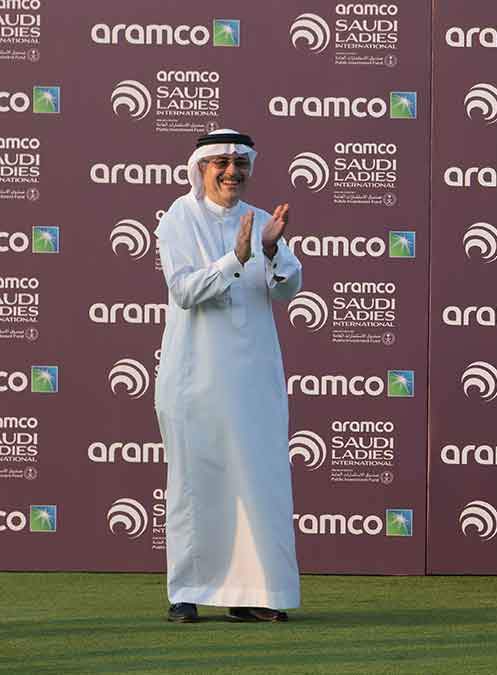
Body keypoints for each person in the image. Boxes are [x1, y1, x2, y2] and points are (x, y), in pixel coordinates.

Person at [154, 129, 302, 623]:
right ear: (201, 168)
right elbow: (185, 290)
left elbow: (289, 288)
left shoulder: (262, 221)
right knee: (195, 485)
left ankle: (253, 595)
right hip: (194, 376)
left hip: (253, 379)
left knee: (259, 484)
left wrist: (272, 251)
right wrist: (236, 259)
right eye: (221, 164)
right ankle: (187, 592)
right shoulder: (180, 216)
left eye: (240, 166)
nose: (232, 173)